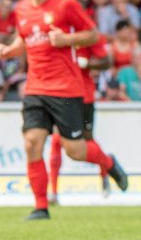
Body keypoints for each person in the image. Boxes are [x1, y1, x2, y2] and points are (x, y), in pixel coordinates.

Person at [0, 0, 129, 221]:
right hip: (35, 88)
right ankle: (41, 207)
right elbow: (24, 38)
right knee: (32, 142)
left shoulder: (65, 4)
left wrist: (66, 39)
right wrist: (7, 50)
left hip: (66, 89)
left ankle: (108, 162)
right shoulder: (21, 9)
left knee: (75, 151)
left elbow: (92, 35)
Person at [47, 31, 117, 201]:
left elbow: (105, 61)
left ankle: (105, 172)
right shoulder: (57, 36)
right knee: (57, 139)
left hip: (85, 97)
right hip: (63, 96)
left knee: (88, 141)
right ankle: (54, 191)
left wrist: (86, 64)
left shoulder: (90, 36)